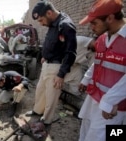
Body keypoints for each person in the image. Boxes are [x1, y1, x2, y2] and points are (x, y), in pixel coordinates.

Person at [78, 0, 126, 140]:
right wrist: (87, 78)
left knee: (103, 136)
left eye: (94, 23)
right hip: (95, 96)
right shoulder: (103, 39)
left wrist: (110, 101)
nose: (91, 27)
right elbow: (99, 62)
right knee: (86, 128)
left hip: (113, 106)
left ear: (110, 18)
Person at [26, 0, 77, 126]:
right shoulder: (52, 23)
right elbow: (52, 43)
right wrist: (44, 56)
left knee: (51, 97)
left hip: (56, 67)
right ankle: (37, 111)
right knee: (40, 91)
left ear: (49, 13)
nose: (41, 24)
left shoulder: (65, 25)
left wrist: (61, 74)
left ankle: (46, 120)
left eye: (41, 20)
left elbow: (71, 52)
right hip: (47, 64)